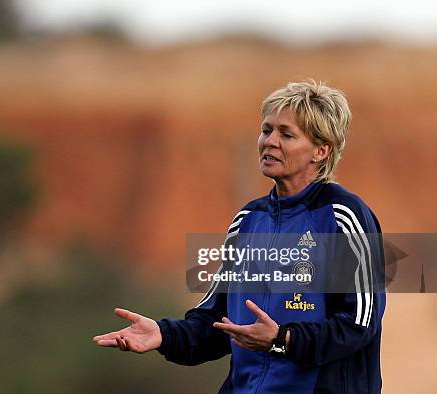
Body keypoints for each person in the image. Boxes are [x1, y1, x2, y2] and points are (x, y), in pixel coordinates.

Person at [93, 80, 386, 394]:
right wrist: (164, 334)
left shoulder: (343, 215)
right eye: (266, 130)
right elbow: (217, 322)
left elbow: (359, 323)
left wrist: (282, 339)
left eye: (286, 134)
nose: (269, 141)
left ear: (321, 150)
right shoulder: (248, 221)